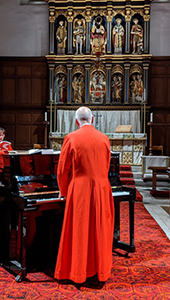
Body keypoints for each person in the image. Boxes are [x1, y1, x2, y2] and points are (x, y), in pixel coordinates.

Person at [54, 106, 115, 286]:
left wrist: (63, 191)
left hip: (80, 189)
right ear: (93, 119)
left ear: (76, 121)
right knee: (100, 229)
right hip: (102, 188)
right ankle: (100, 270)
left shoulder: (71, 138)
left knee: (79, 229)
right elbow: (107, 164)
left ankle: (79, 271)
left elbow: (62, 170)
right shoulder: (104, 139)